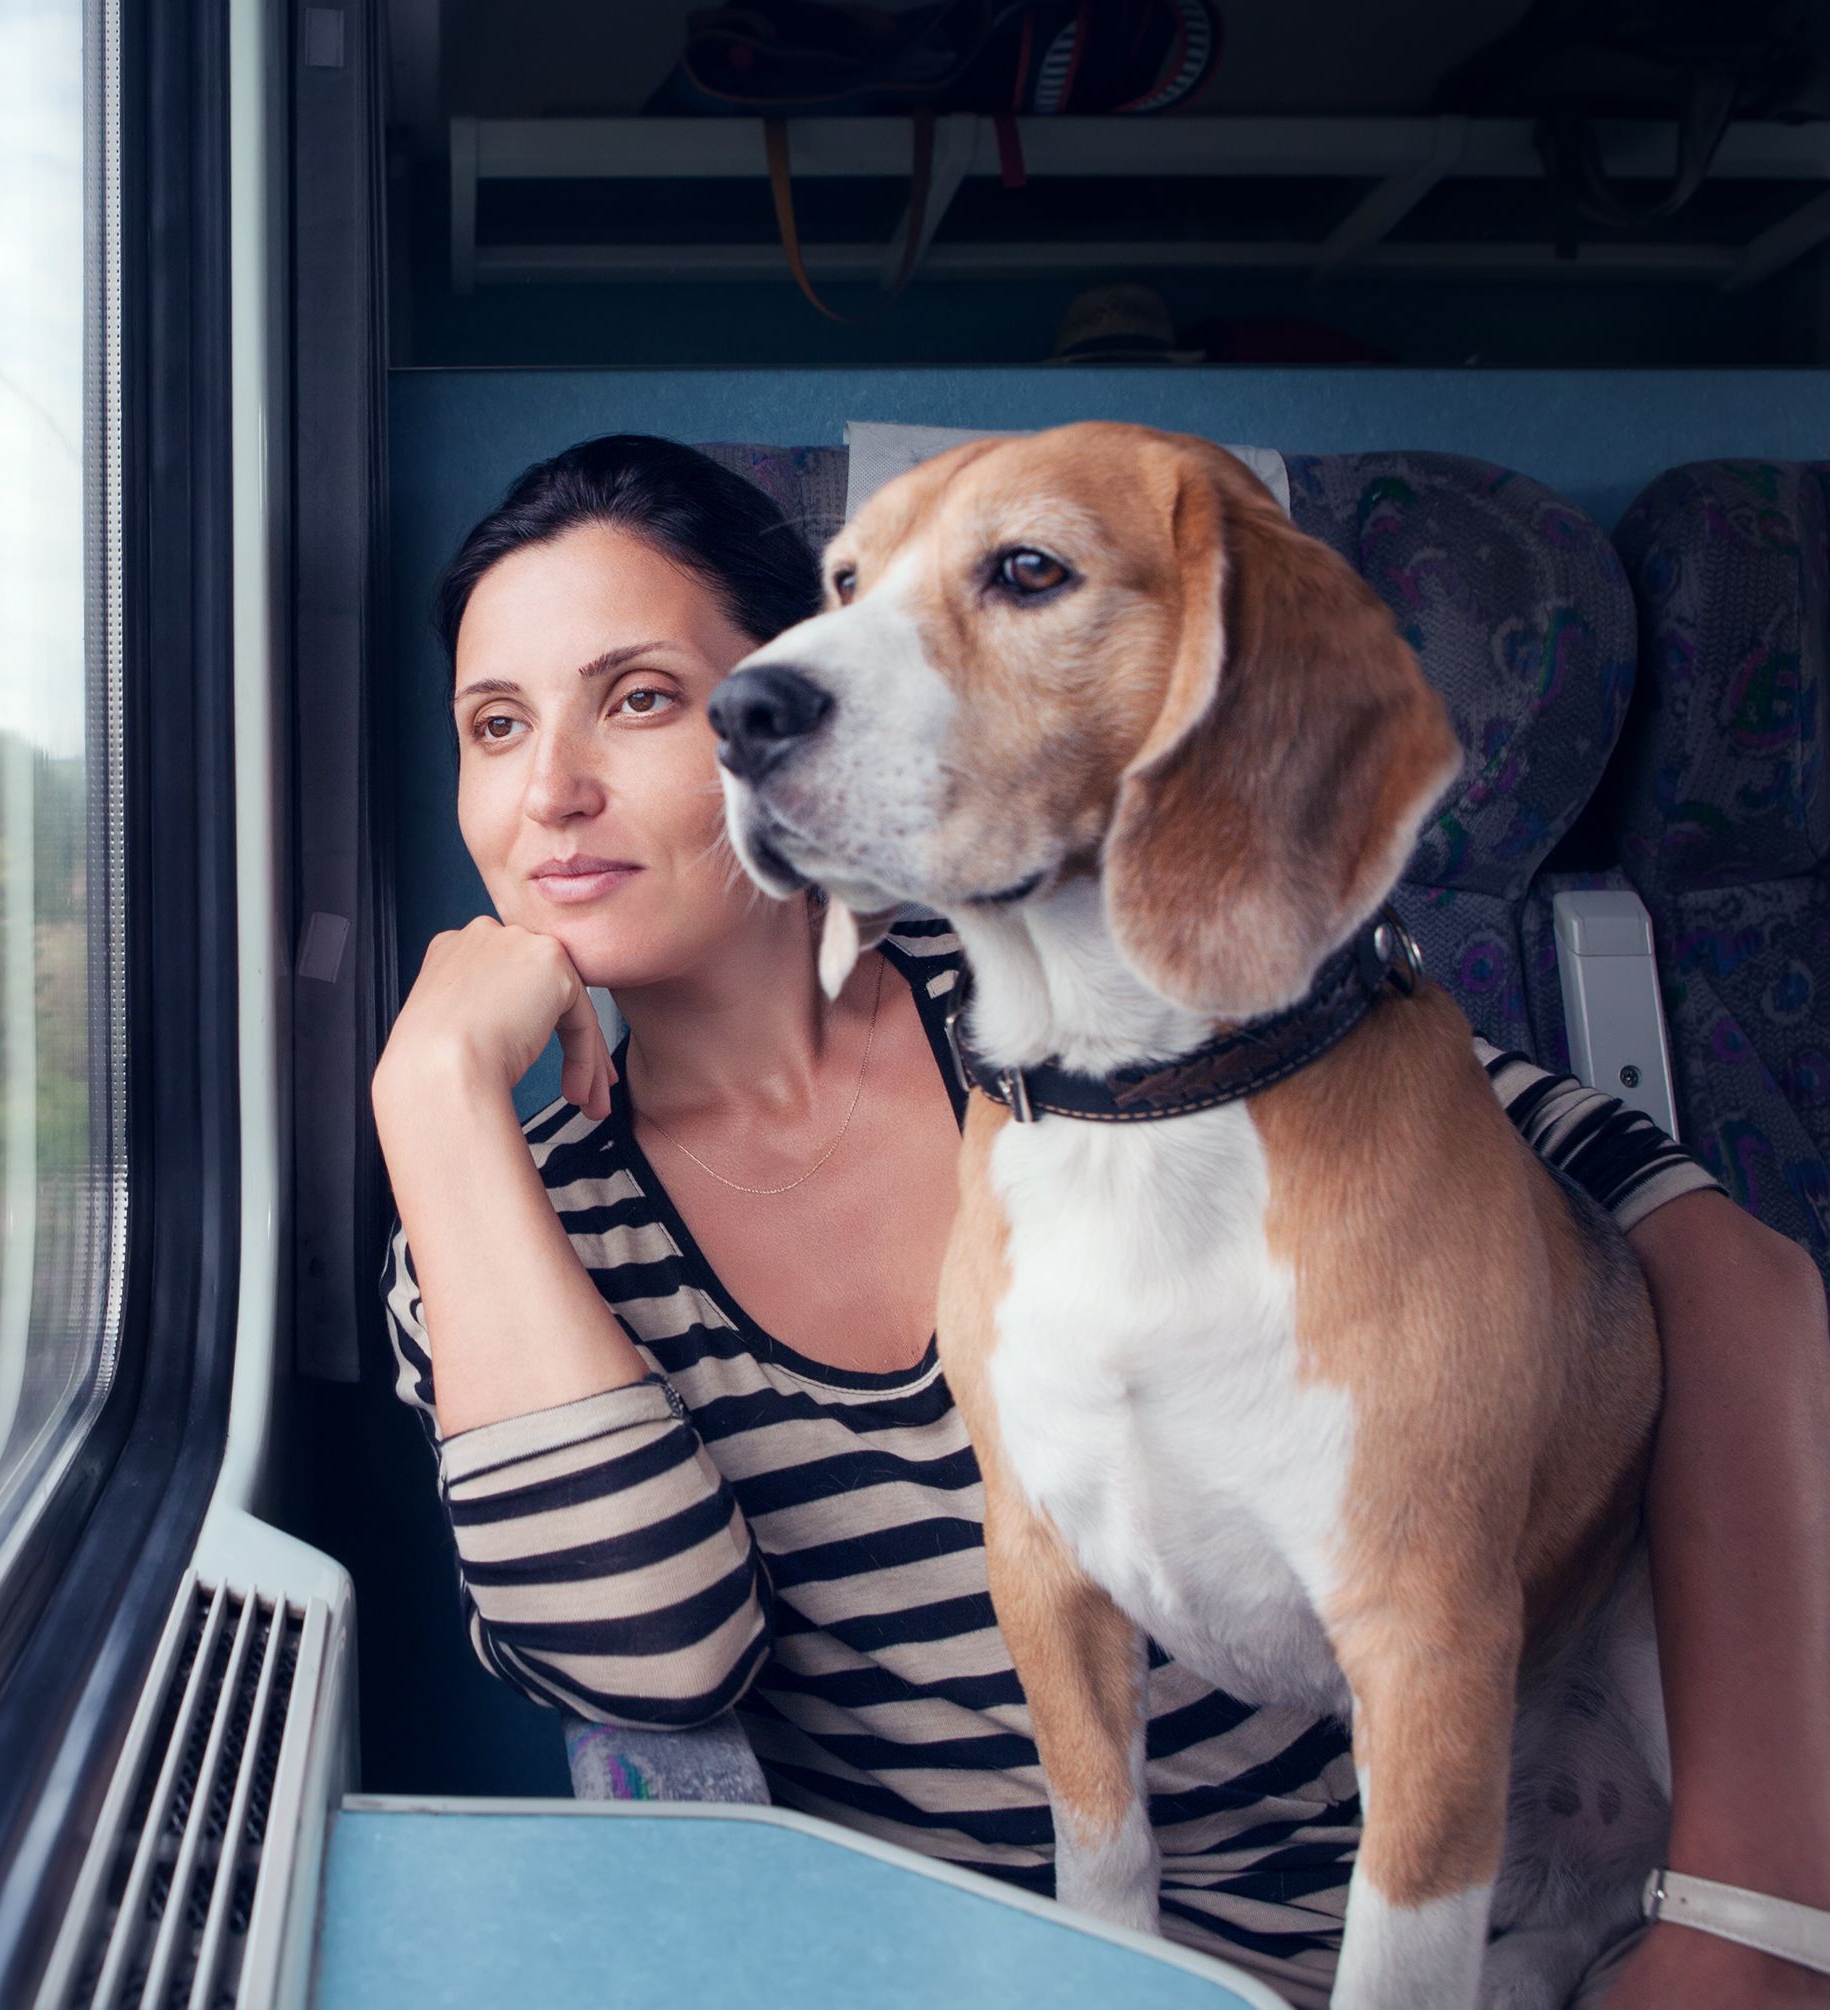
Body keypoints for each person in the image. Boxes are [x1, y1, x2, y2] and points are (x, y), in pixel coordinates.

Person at [373, 434, 1830, 2009]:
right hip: (974, 1965)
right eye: (493, 725)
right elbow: (646, 1662)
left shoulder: (1115, 994)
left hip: (1393, 1913)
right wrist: (439, 1102)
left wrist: (1753, 1918)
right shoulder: (497, 1234)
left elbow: (1718, 1269)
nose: (549, 794)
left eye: (644, 696)